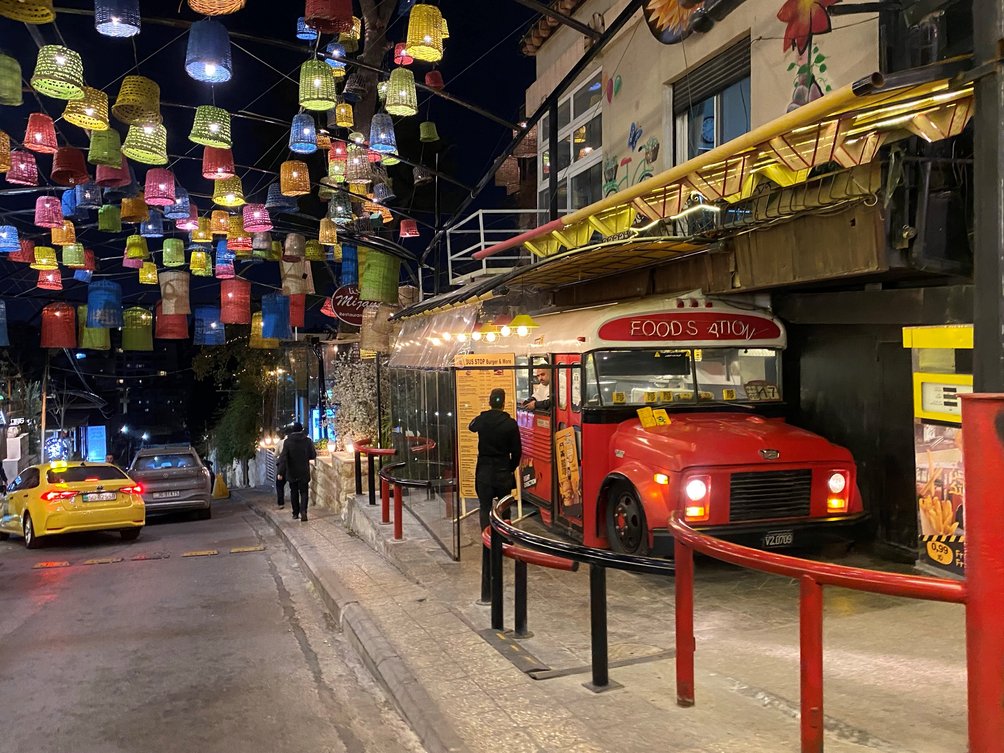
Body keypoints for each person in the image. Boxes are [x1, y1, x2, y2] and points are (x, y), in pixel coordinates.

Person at [469, 388, 522, 604]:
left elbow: (471, 426)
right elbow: (517, 451)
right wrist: (510, 467)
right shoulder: (510, 424)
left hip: (484, 469)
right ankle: (505, 536)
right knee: (503, 504)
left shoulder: (482, 420)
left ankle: (486, 537)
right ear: (504, 403)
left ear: (490, 402)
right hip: (502, 469)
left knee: (484, 506)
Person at [276, 422, 316, 521]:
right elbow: (312, 455)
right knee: (304, 492)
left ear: (293, 430)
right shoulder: (307, 441)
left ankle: (295, 513)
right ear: (301, 429)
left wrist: (280, 472)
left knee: (293, 492)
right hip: (304, 470)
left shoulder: (287, 442)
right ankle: (304, 511)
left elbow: (283, 458)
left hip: (292, 471)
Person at [274, 429, 287, 509]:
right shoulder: (291, 441)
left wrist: (280, 472)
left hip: (283, 466)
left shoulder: (280, 443)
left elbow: (276, 454)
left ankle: (281, 503)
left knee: (279, 485)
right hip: (293, 465)